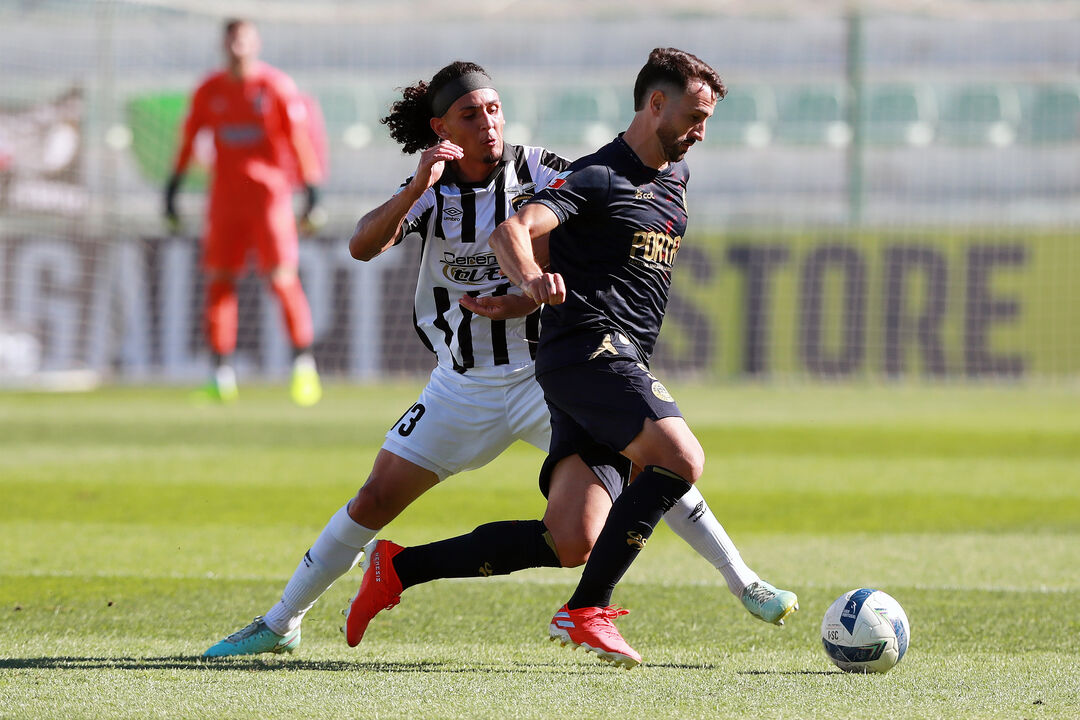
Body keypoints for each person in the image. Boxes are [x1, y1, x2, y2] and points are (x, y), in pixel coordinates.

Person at [202, 60, 793, 659]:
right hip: (462, 386)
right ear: (441, 127)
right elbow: (361, 245)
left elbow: (590, 210)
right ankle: (281, 622)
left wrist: (530, 290)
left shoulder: (540, 169)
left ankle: (743, 579)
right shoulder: (430, 194)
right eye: (470, 114)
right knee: (375, 498)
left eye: (493, 109)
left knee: (640, 474)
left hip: (545, 376)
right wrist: (414, 188)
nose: (488, 123)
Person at [164, 18, 324, 406]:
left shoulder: (275, 87)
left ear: (256, 43)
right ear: (224, 43)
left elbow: (299, 141)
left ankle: (303, 368)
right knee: (219, 281)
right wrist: (173, 186)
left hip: (269, 198)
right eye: (232, 37)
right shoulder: (209, 89)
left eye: (244, 37)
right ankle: (221, 375)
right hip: (224, 199)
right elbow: (189, 138)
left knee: (282, 279)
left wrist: (312, 190)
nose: (238, 44)